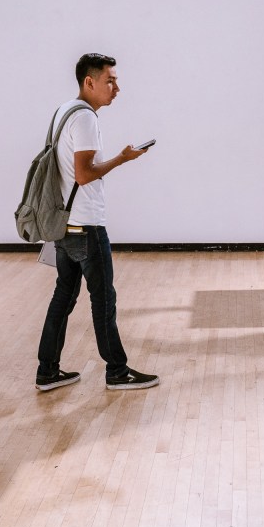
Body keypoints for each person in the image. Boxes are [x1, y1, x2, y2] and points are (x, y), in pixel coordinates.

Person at [35, 53, 159, 392]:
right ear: (89, 82)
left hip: (64, 226)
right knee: (103, 299)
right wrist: (122, 158)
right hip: (87, 227)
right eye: (110, 80)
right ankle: (117, 371)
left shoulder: (62, 112)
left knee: (63, 297)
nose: (116, 87)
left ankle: (47, 370)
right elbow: (84, 174)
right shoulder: (86, 118)